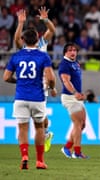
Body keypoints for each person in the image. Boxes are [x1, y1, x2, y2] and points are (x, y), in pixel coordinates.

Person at [3, 28, 56, 169]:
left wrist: (19, 81)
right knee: (39, 128)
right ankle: (39, 161)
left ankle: (25, 156)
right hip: (37, 97)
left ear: (23, 40)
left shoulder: (16, 56)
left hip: (21, 97)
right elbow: (50, 78)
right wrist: (51, 87)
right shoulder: (43, 56)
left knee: (22, 129)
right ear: (38, 40)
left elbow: (6, 77)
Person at [14, 7, 56, 153]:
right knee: (39, 117)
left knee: (38, 118)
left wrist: (45, 20)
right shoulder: (25, 47)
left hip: (41, 85)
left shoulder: (43, 43)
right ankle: (47, 132)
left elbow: (52, 30)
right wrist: (20, 23)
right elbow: (16, 40)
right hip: (28, 84)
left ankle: (46, 132)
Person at [59, 43, 89, 159]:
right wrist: (75, 92)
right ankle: (76, 152)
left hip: (77, 97)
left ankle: (67, 147)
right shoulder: (64, 64)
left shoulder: (75, 63)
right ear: (65, 53)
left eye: (75, 50)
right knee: (77, 123)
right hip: (70, 97)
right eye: (70, 50)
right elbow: (66, 81)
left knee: (82, 125)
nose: (73, 52)